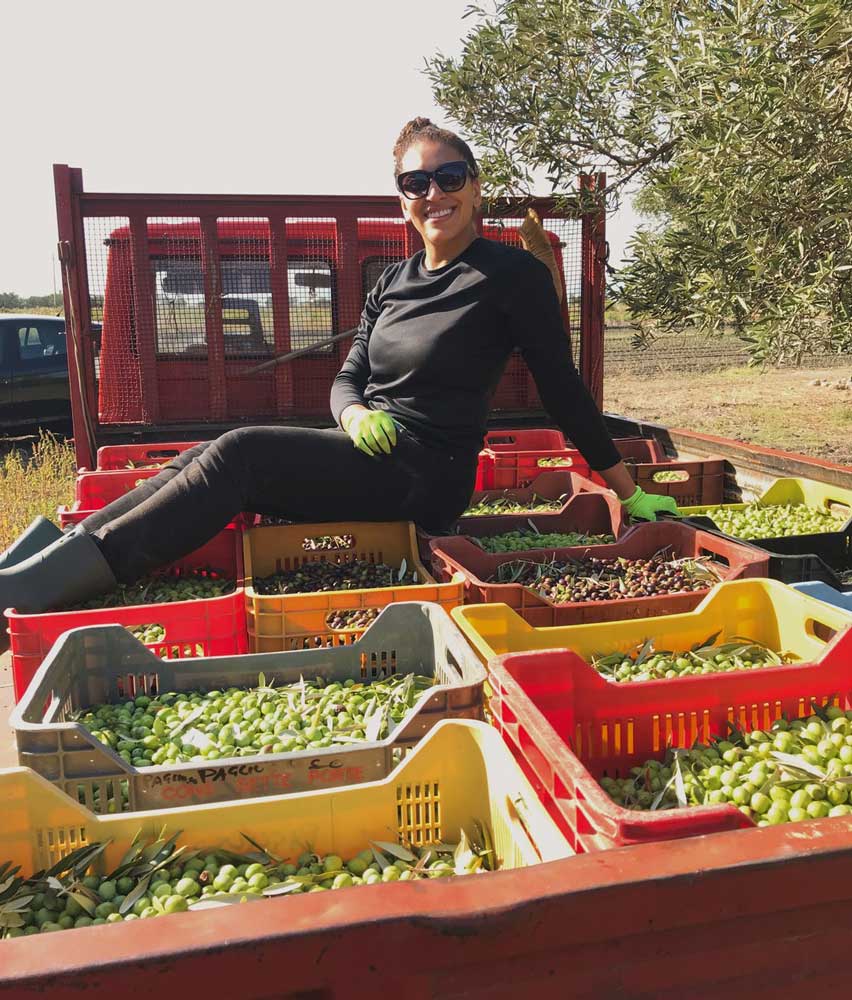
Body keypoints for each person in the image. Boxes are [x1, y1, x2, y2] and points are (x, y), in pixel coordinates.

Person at [0, 117, 677, 615]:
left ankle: (38, 593)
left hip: (426, 476)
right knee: (207, 455)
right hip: (371, 452)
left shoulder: (511, 276)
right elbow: (348, 376)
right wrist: (353, 413)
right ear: (401, 200)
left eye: (449, 177)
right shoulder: (394, 282)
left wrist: (626, 487)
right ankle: (39, 565)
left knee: (238, 454)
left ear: (474, 189)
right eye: (417, 182)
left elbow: (562, 389)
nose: (433, 192)